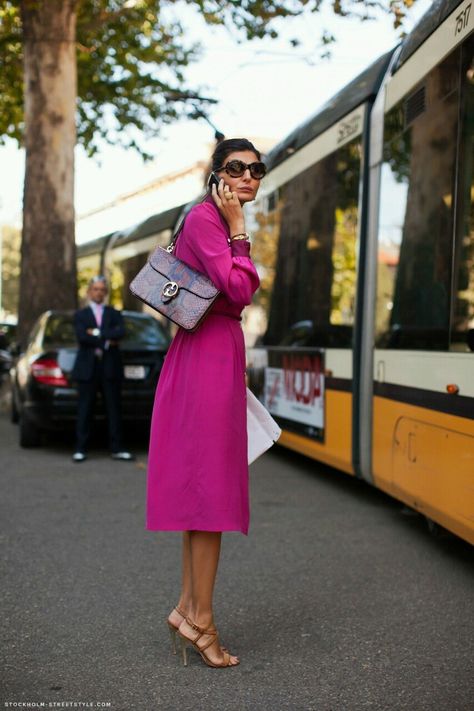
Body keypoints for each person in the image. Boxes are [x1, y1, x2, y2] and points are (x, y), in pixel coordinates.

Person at [146, 138, 265, 668]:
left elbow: (232, 291)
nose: (246, 177)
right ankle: (202, 622)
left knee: (203, 495)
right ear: (216, 176)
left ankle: (188, 608)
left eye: (255, 169)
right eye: (235, 168)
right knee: (211, 495)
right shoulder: (206, 220)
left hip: (210, 353)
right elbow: (238, 290)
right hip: (205, 355)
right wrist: (239, 233)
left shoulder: (209, 220)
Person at [71, 276, 133, 463]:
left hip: (110, 368)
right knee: (84, 409)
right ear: (89, 291)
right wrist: (107, 339)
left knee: (114, 409)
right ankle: (81, 448)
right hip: (88, 368)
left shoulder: (114, 313)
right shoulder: (80, 315)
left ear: (105, 293)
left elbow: (121, 332)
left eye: (101, 289)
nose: (98, 292)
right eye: (95, 289)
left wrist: (96, 333)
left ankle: (117, 448)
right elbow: (82, 337)